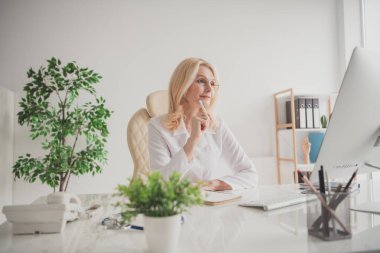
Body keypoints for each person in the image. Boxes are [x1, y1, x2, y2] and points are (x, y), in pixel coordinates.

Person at [148, 58, 258, 191]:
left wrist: (213, 185)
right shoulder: (157, 126)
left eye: (212, 83)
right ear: (182, 87)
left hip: (208, 202)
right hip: (174, 207)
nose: (209, 88)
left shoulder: (216, 125)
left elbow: (250, 174)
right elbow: (160, 185)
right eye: (201, 81)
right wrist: (193, 140)